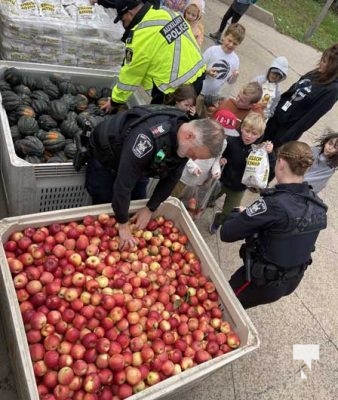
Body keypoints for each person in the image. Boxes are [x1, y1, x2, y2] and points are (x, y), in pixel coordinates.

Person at [84, 105, 225, 249]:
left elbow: (172, 177)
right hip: (106, 156)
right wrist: (123, 224)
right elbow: (123, 185)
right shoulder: (146, 139)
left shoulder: (184, 139)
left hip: (140, 164)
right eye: (193, 154)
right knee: (104, 204)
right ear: (189, 136)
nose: (193, 160)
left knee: (137, 203)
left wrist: (150, 208)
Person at [220, 141, 328, 309]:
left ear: (281, 162)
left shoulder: (274, 204)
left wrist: (239, 212)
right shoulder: (318, 205)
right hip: (291, 280)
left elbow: (227, 233)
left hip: (259, 282)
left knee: (223, 306)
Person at [93, 0, 206, 110]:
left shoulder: (140, 36)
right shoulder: (169, 14)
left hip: (175, 91)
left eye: (123, 19)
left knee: (158, 123)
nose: (124, 24)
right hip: (198, 76)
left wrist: (115, 101)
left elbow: (131, 75)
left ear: (130, 13)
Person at [209, 111, 274, 234]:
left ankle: (218, 220)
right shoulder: (232, 141)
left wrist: (270, 154)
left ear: (260, 135)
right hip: (222, 180)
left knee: (229, 213)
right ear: (242, 128)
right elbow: (220, 153)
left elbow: (268, 167)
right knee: (208, 198)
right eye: (247, 131)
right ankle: (210, 202)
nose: (249, 136)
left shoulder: (258, 150)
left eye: (254, 133)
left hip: (239, 187)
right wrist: (221, 159)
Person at [263, 43, 338, 148]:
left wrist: (285, 139)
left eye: (324, 62)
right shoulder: (317, 73)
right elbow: (292, 90)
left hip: (285, 131)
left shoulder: (332, 90)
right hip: (276, 117)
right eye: (322, 59)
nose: (320, 63)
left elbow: (310, 118)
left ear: (333, 68)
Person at [172, 109, 238, 213]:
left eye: (227, 134)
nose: (225, 136)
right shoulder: (200, 136)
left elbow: (217, 159)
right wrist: (192, 166)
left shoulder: (224, 143)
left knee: (187, 203)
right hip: (183, 176)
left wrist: (216, 170)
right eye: (223, 133)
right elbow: (186, 153)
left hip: (199, 179)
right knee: (172, 197)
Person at [252, 56, 288, 120]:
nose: (275, 76)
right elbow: (248, 93)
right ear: (269, 71)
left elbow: (272, 108)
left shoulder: (277, 91)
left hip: (261, 118)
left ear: (281, 78)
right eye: (273, 73)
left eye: (278, 75)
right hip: (250, 110)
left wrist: (266, 116)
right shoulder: (258, 80)